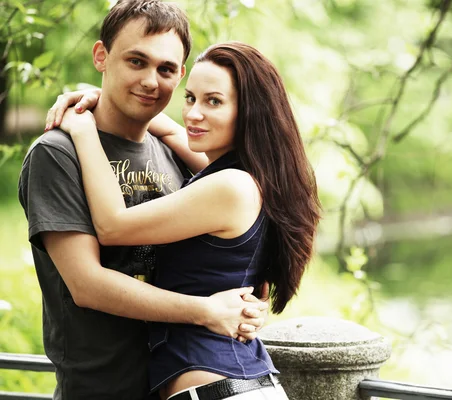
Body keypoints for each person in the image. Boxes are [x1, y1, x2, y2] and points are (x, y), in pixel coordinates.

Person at [18, 2, 268, 399]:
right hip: (103, 387)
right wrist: (207, 311)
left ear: (180, 75)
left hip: (180, 378)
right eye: (136, 61)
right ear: (102, 56)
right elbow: (87, 285)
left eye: (166, 69)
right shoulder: (59, 152)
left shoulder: (178, 151)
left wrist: (247, 306)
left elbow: (235, 242)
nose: (151, 81)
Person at [51, 40, 321, 400]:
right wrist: (107, 97)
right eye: (190, 97)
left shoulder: (231, 187)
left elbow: (113, 226)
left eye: (214, 101)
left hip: (218, 386)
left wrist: (84, 132)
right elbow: (176, 132)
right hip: (232, 381)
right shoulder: (246, 175)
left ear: (251, 112)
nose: (193, 113)